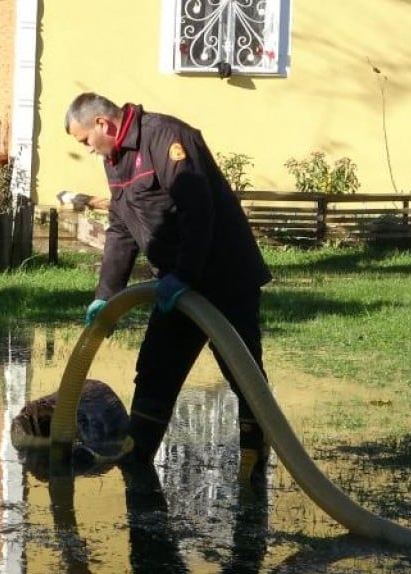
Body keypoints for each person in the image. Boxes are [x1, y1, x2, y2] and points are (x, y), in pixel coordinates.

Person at [63, 91, 272, 498]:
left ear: (103, 125)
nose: (87, 150)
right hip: (176, 285)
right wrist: (107, 294)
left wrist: (185, 275)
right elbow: (121, 228)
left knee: (243, 373)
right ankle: (136, 456)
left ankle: (253, 461)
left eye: (84, 140)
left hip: (223, 277)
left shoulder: (165, 137)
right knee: (156, 368)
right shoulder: (116, 158)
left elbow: (198, 210)